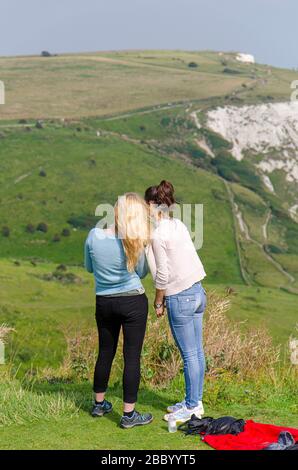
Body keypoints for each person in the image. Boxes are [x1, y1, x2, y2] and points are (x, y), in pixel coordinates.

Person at [84, 192, 153, 429]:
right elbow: (143, 273)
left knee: (105, 352)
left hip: (104, 301)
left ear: (115, 211)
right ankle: (129, 415)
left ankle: (99, 403)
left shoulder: (94, 235)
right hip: (133, 302)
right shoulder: (134, 240)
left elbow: (88, 267)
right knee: (131, 357)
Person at [145, 181, 207, 424]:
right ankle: (194, 400)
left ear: (152, 205)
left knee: (190, 354)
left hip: (180, 296)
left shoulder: (159, 233)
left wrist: (158, 302)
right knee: (197, 352)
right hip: (198, 291)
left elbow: (162, 273)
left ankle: (192, 407)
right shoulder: (177, 224)